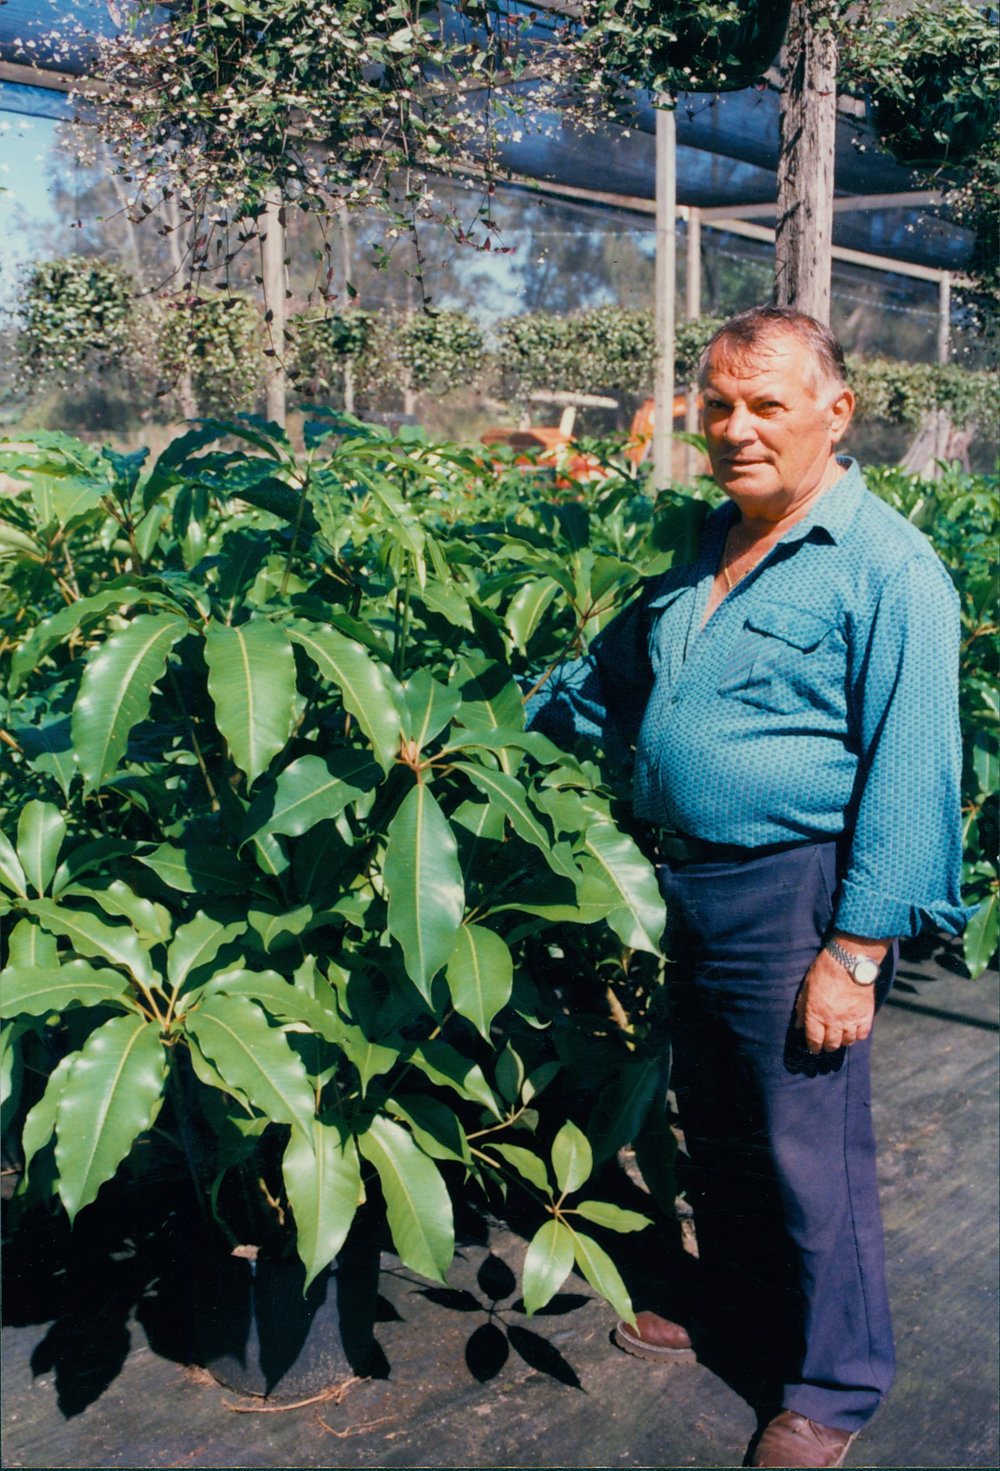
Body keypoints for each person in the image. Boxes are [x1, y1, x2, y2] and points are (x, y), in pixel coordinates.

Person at [527, 306, 970, 1469]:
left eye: (766, 404)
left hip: (796, 893)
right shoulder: (702, 539)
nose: (735, 428)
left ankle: (831, 1385)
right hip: (685, 883)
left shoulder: (886, 569)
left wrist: (856, 950)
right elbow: (611, 676)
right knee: (717, 1124)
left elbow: (914, 773)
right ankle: (732, 1302)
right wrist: (476, 728)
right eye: (716, 404)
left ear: (836, 412)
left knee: (806, 1147)